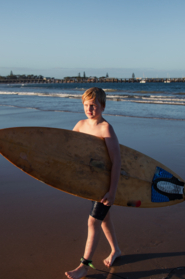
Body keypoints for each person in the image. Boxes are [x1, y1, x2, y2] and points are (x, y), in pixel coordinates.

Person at [65, 87, 122, 279]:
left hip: (105, 185)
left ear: (103, 106)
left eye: (94, 105)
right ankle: (116, 250)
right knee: (103, 219)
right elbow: (69, 150)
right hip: (91, 184)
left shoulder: (106, 128)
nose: (90, 109)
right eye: (86, 105)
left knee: (93, 222)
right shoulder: (80, 125)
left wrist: (112, 191)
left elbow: (117, 162)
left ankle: (84, 266)